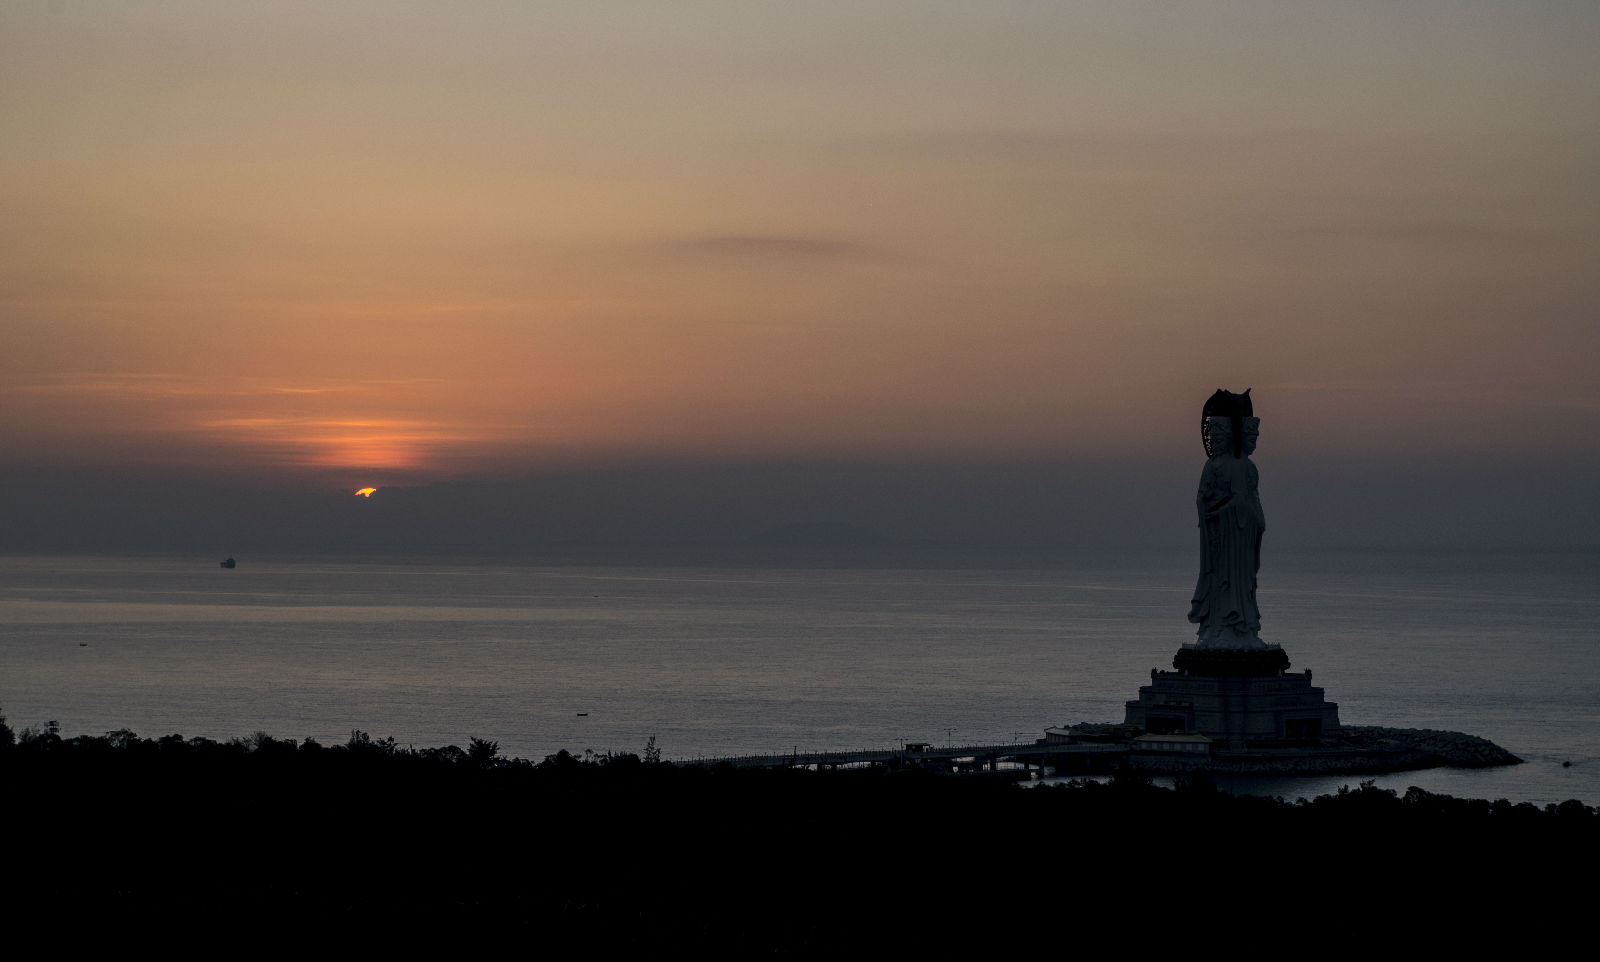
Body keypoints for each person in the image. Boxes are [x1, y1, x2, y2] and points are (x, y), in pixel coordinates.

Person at [1187, 399, 1265, 649]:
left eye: (1221, 437)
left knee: (1242, 581)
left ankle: (1242, 627)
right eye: (1214, 438)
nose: (1217, 442)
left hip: (1242, 534)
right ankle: (1217, 627)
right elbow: (1202, 497)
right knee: (1220, 580)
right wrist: (1214, 510)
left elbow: (1251, 499)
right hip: (1221, 532)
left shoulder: (1248, 468)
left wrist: (1258, 520)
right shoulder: (1212, 466)